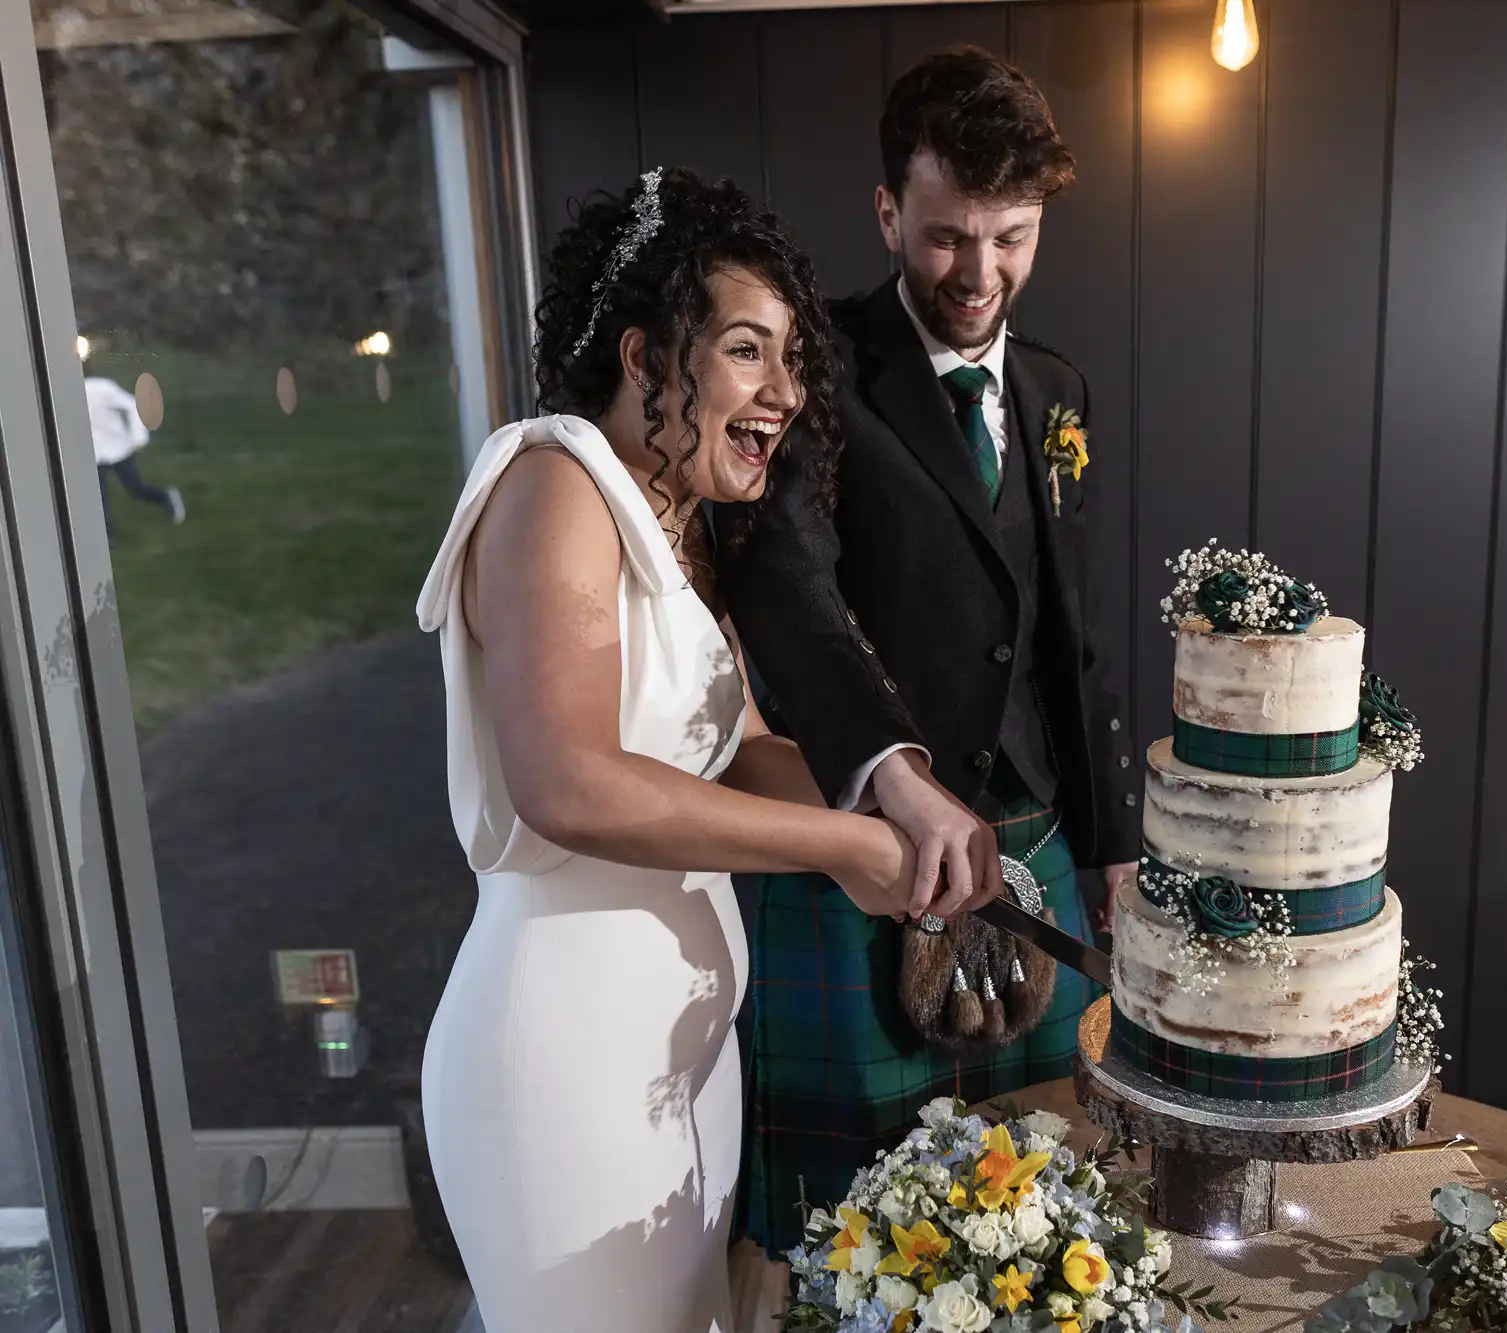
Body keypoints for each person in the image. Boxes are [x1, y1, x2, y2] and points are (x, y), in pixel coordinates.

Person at [413, 169, 928, 1333]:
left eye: (792, 360)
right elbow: (567, 780)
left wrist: (908, 812)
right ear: (647, 358)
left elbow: (734, 748)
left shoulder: (669, 518)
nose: (783, 393)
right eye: (749, 351)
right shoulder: (552, 483)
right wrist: (839, 843)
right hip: (565, 1072)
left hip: (676, 1063)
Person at [717, 46, 1143, 1254]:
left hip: (1037, 838)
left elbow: (1078, 629)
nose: (980, 270)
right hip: (866, 838)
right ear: (888, 210)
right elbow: (783, 587)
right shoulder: (818, 371)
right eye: (950, 235)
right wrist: (893, 775)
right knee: (856, 1220)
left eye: (1010, 235)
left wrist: (1109, 841)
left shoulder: (1056, 389)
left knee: (1045, 1189)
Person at [84, 367, 184, 540]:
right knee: (98, 498)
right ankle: (108, 538)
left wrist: (139, 437)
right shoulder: (63, 392)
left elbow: (131, 405)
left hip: (117, 448)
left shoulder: (102, 388)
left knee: (135, 488)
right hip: (92, 453)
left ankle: (165, 496)